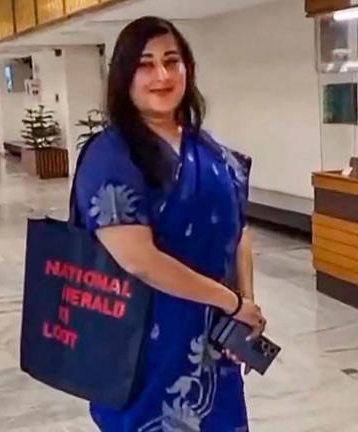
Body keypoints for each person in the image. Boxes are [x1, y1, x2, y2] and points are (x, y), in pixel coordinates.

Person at [73, 16, 266, 432]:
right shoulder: (111, 156)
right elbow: (138, 259)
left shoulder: (211, 152)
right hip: (141, 347)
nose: (161, 75)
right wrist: (230, 302)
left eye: (171, 61)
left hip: (213, 346)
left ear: (187, 69)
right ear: (124, 76)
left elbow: (239, 232)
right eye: (145, 64)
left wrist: (243, 311)